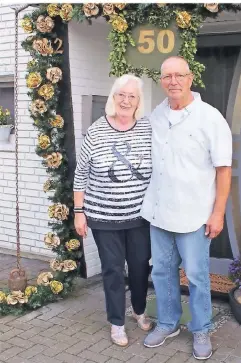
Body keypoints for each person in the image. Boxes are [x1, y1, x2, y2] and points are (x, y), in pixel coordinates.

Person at [141, 56, 232, 360]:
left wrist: (218, 212)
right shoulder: (156, 115)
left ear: (191, 78)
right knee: (163, 271)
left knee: (196, 274)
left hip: (195, 215)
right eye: (167, 76)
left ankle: (201, 328)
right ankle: (167, 323)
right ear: (161, 81)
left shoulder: (210, 118)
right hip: (159, 212)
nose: (173, 81)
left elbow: (223, 170)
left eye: (179, 75)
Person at [73, 74, 153, 347]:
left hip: (140, 217)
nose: (126, 100)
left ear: (138, 102)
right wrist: (79, 211)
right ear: (113, 97)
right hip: (104, 218)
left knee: (141, 266)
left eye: (132, 96)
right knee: (113, 270)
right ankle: (117, 322)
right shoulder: (96, 131)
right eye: (121, 94)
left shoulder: (147, 129)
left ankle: (139, 310)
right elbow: (80, 173)